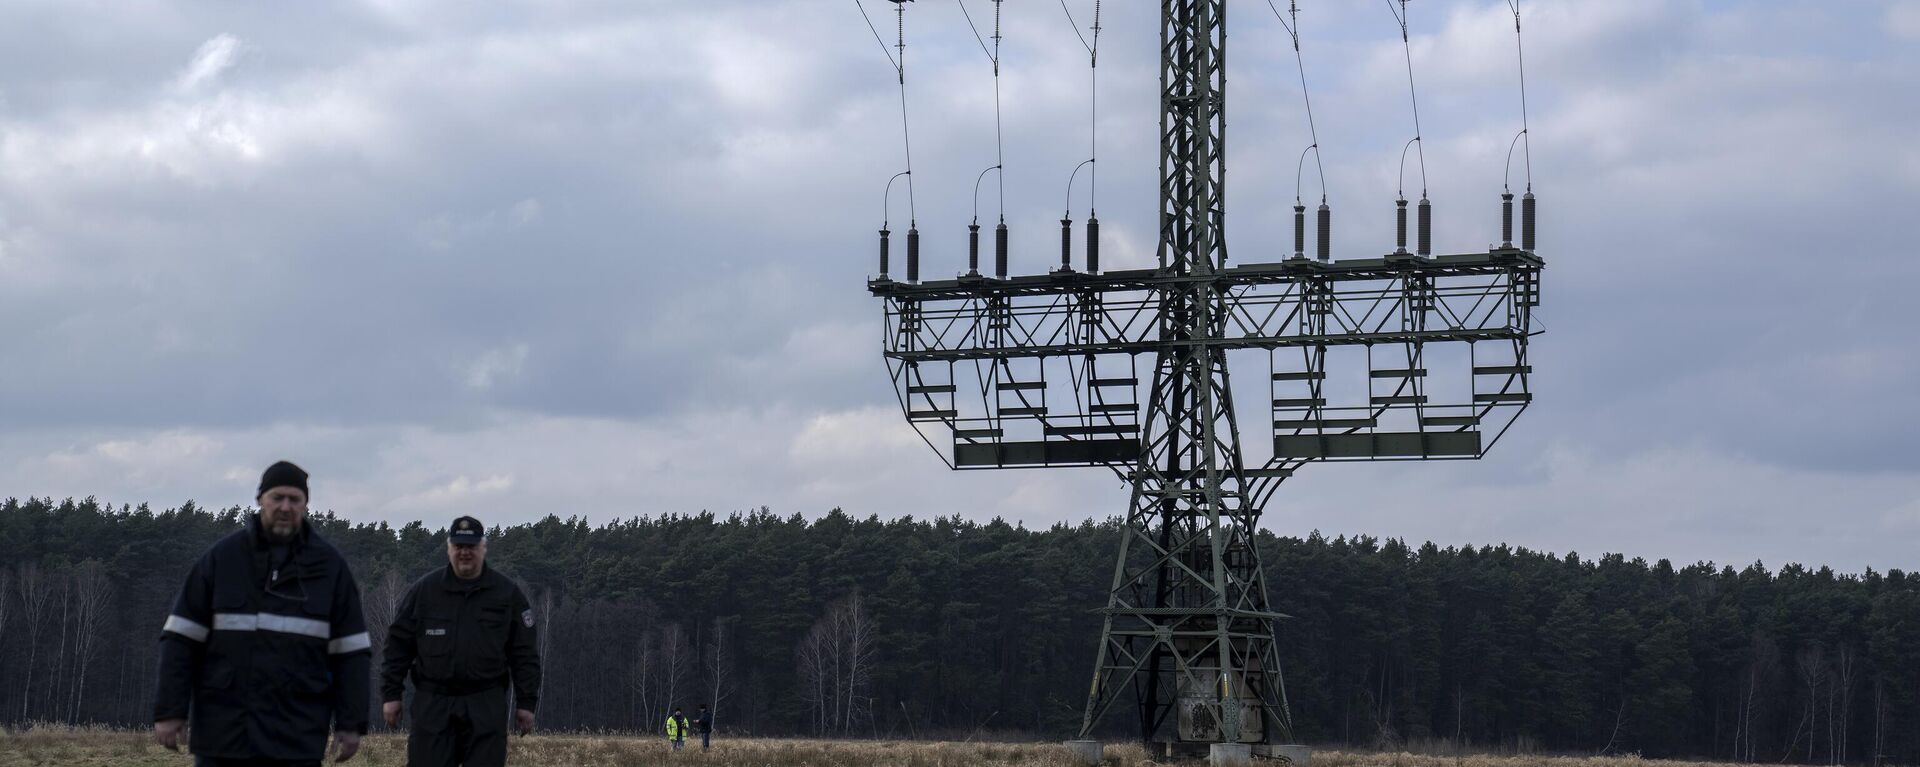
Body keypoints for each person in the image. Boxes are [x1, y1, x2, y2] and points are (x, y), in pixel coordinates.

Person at [153, 460, 372, 766]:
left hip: (296, 738)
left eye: (294, 499)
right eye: (277, 497)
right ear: (260, 500)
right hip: (225, 737)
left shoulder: (329, 568)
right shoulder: (222, 560)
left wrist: (351, 723)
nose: (285, 507)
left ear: (306, 505)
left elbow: (352, 653)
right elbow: (180, 640)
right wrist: (170, 711)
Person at [381, 515, 542, 767]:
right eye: (458, 547)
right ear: (449, 548)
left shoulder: (506, 594)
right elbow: (397, 646)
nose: (465, 553)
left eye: (471, 547)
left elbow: (524, 655)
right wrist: (391, 694)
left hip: (485, 704)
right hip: (434, 704)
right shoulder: (425, 592)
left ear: (483, 548)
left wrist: (526, 703)